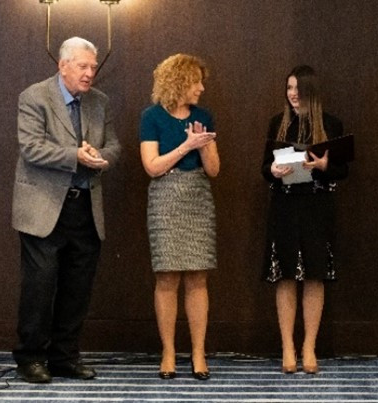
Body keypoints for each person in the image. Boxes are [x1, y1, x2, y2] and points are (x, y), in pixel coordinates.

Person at [11, 36, 121, 383]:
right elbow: (31, 148)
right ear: (63, 65)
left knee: (77, 289)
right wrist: (76, 155)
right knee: (40, 287)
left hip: (86, 208)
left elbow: (114, 145)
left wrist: (102, 157)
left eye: (93, 67)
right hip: (43, 209)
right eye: (83, 66)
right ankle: (30, 358)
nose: (90, 73)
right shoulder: (34, 96)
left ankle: (64, 358)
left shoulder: (99, 101)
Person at [261, 65, 349, 374]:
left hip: (317, 206)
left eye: (298, 88)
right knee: (285, 276)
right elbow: (264, 169)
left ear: (311, 90)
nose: (293, 94)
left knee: (315, 275)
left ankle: (309, 346)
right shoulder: (278, 123)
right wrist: (273, 171)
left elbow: (342, 170)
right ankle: (288, 346)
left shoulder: (331, 124)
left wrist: (323, 166)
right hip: (285, 206)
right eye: (289, 88)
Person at [139, 54, 219, 381]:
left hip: (198, 196)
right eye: (196, 81)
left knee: (198, 277)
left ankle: (198, 352)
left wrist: (203, 146)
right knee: (167, 278)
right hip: (165, 197)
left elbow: (214, 170)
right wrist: (187, 145)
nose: (201, 88)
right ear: (179, 81)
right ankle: (169, 352)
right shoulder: (151, 116)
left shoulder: (204, 116)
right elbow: (152, 167)